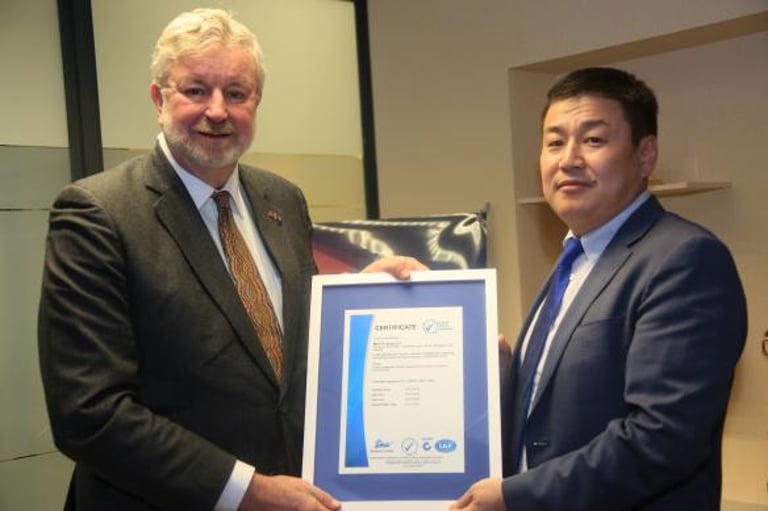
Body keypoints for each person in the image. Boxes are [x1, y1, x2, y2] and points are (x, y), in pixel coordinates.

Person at [37, 8, 424, 511]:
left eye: (236, 93)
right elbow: (88, 413)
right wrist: (248, 491)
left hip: (296, 492)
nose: (217, 110)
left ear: (256, 101)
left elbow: (286, 350)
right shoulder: (98, 214)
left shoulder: (283, 200)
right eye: (196, 90)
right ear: (159, 99)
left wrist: (356, 296)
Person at [451, 67, 747, 510]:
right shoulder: (574, 260)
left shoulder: (685, 259)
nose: (568, 159)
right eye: (554, 142)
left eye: (593, 140)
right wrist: (506, 379)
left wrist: (516, 495)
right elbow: (559, 411)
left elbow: (661, 438)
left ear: (645, 156)